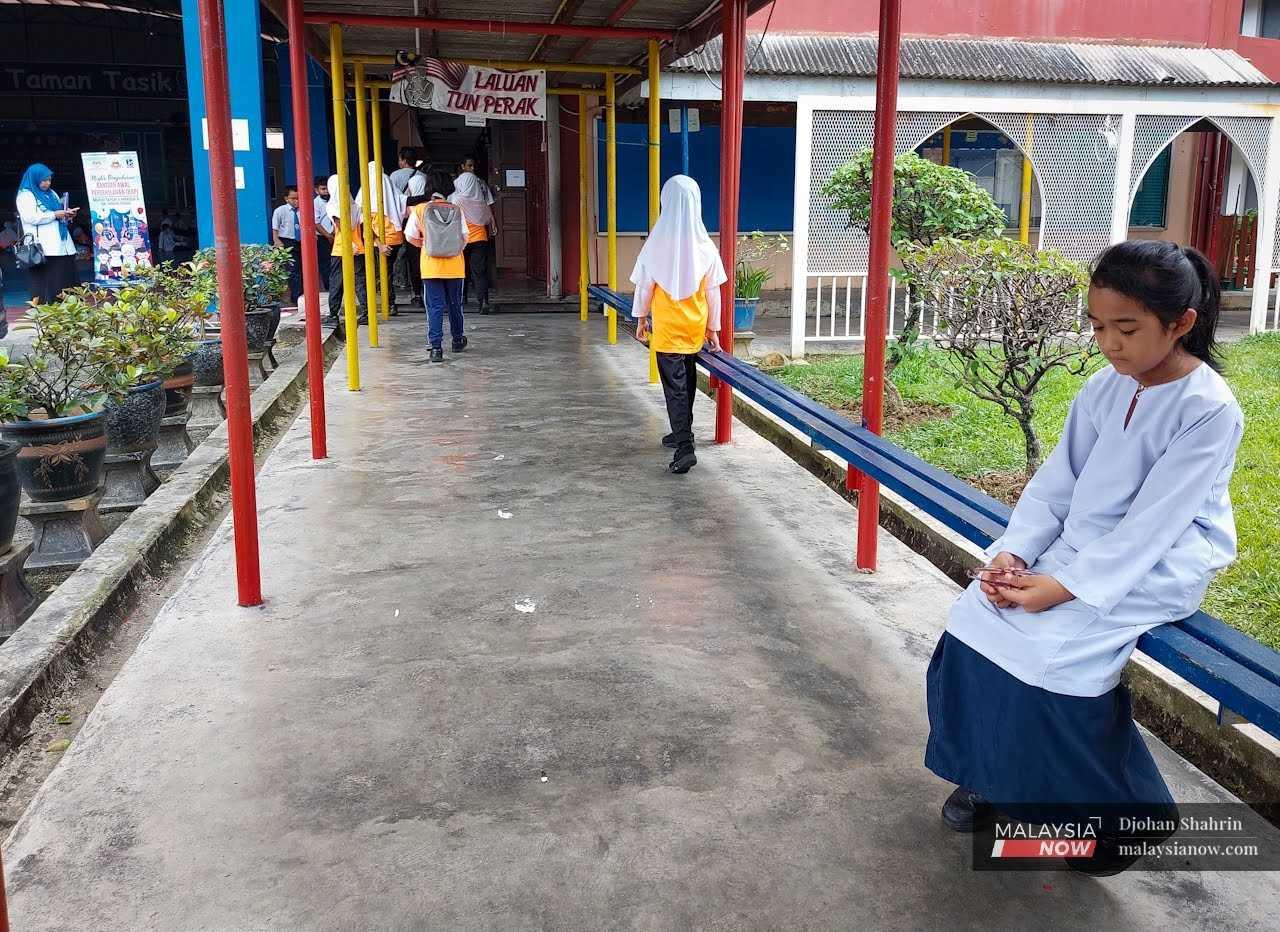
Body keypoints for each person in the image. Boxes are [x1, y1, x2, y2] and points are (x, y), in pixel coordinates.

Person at [925, 240, 1245, 877]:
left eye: (1127, 328)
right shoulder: (1106, 385)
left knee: (1052, 655)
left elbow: (1155, 526)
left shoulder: (1207, 410)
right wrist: (1014, 555)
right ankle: (995, 778)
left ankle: (1117, 824)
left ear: (1181, 323)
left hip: (1157, 564)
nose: (1109, 344)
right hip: (1077, 550)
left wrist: (1059, 588)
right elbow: (1057, 481)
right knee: (974, 621)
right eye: (1098, 326)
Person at [629, 175, 726, 475]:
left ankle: (685, 446)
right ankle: (681, 432)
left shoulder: (655, 244)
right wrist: (713, 330)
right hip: (694, 329)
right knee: (687, 380)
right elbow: (713, 293)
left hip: (668, 331)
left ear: (665, 202)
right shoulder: (705, 245)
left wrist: (641, 319)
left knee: (675, 388)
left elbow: (644, 288)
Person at [404, 170, 467, 363]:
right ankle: (457, 340)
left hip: (431, 266)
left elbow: (410, 236)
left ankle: (436, 348)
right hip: (455, 266)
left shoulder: (421, 209)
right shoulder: (457, 209)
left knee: (434, 306)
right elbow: (465, 238)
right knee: (455, 304)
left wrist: (425, 245)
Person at [15, 163, 79, 304]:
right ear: (35, 178)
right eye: (44, 180)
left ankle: (66, 313)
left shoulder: (52, 194)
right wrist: (55, 214)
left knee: (64, 280)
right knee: (46, 283)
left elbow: (58, 213)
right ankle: (45, 314)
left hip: (62, 245)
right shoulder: (26, 195)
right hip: (43, 247)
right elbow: (30, 217)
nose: (47, 183)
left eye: (49, 180)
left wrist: (67, 215)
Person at [325, 172, 370, 339]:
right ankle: (366, 312)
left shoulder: (333, 205)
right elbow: (363, 225)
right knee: (360, 281)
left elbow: (339, 224)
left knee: (337, 282)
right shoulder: (355, 205)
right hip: (358, 248)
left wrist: (347, 243)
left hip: (341, 249)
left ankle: (333, 315)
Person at [360, 162, 408, 316]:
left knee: (381, 274)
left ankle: (389, 303)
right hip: (395, 238)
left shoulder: (366, 189)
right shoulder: (388, 183)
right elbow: (404, 203)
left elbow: (363, 222)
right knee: (386, 273)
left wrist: (378, 243)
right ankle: (389, 303)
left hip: (378, 240)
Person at [450, 165, 495, 315]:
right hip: (480, 237)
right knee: (480, 271)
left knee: (461, 270)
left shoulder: (455, 199)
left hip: (461, 239)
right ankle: (484, 302)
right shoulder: (480, 199)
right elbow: (487, 217)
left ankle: (461, 298)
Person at [390, 148, 426, 308]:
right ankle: (420, 293)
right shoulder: (422, 177)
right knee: (418, 256)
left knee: (400, 257)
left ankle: (406, 288)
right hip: (421, 220)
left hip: (400, 221)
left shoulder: (393, 176)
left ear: (403, 160)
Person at [271, 186, 304, 303]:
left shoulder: (304, 209)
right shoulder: (280, 211)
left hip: (302, 242)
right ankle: (296, 297)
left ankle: (304, 296)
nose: (296, 201)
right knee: (293, 271)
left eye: (299, 198)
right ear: (286, 199)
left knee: (303, 269)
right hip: (287, 241)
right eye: (293, 198)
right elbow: (275, 228)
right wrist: (276, 240)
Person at [313, 177, 333, 291]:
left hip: (336, 235)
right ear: (317, 190)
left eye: (327, 189)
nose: (326, 191)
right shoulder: (315, 203)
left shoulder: (334, 199)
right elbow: (316, 223)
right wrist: (328, 235)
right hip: (323, 237)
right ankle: (329, 288)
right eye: (323, 189)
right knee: (326, 264)